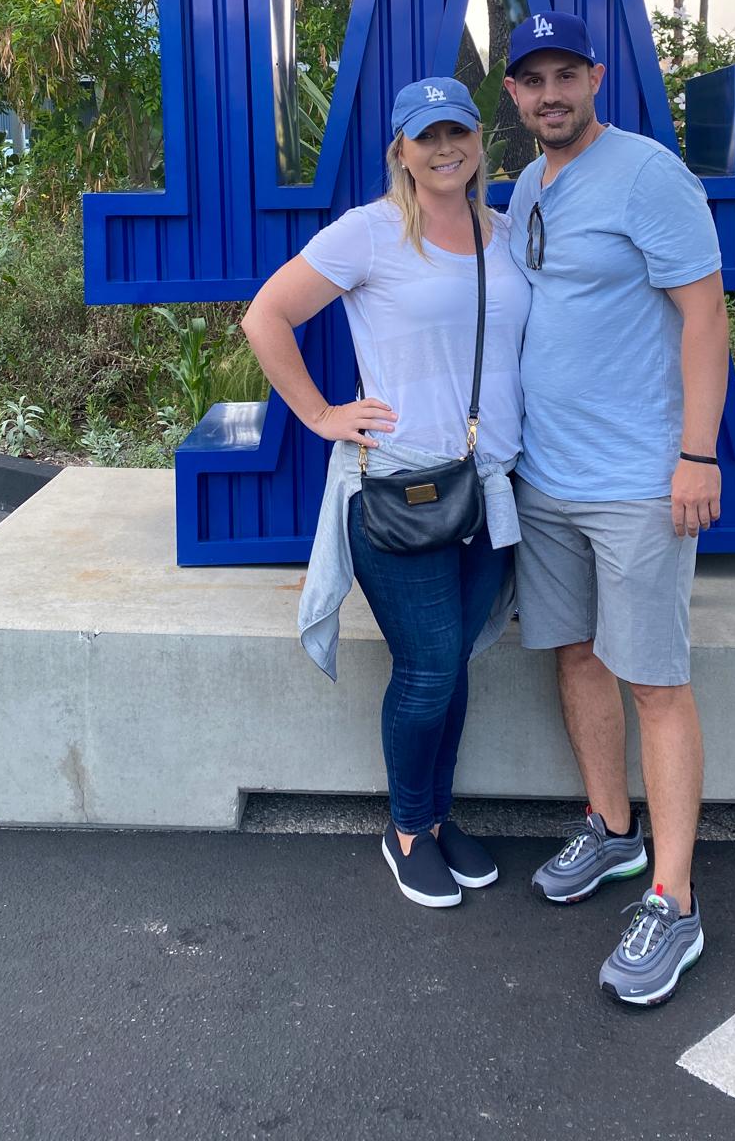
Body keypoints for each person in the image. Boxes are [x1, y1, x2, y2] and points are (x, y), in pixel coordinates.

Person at [241, 77, 530, 909]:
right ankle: (405, 833)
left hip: (490, 487)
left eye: (459, 132)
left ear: (480, 140)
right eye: (426, 136)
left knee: (461, 660)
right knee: (430, 665)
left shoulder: (505, 233)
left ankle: (436, 820)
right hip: (400, 488)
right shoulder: (369, 234)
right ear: (400, 150)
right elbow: (266, 317)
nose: (446, 149)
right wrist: (322, 412)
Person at [502, 11, 729, 1006]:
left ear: (595, 77)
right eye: (531, 80)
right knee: (578, 654)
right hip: (547, 480)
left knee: (655, 683)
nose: (550, 94)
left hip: (640, 482)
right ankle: (612, 829)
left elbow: (707, 313)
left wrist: (695, 455)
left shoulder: (646, 174)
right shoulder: (526, 184)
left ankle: (674, 905)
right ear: (512, 94)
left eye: (565, 75)